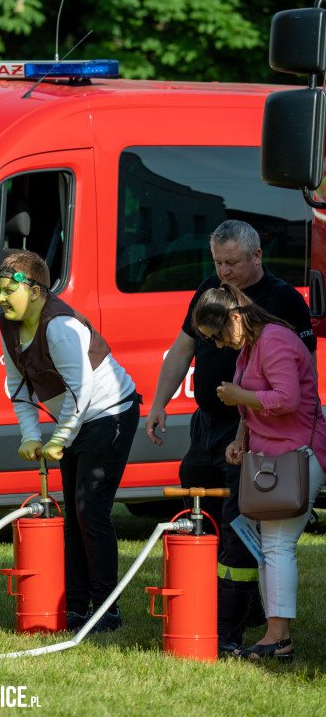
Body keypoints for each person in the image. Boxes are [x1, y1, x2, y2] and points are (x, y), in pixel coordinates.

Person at [145, 220, 317, 653]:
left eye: (232, 263)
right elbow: (182, 348)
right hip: (216, 424)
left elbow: (294, 385)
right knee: (198, 509)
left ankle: (229, 630)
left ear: (257, 256)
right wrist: (160, 403)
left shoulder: (282, 305)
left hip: (270, 433)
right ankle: (226, 607)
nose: (223, 271)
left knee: (241, 526)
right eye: (218, 262)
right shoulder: (211, 292)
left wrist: (244, 407)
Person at [0, 250, 140, 633]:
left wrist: (60, 436)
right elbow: (18, 385)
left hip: (110, 413)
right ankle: (75, 607)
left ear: (38, 292)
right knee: (74, 520)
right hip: (75, 420)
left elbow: (81, 389)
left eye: (11, 290)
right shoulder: (7, 324)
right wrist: (30, 435)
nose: (2, 298)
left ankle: (107, 610)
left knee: (90, 511)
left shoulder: (59, 326)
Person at [193, 282, 326, 660]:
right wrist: (240, 439)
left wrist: (240, 397)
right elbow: (252, 409)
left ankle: (279, 638)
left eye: (217, 335)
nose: (218, 345)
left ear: (235, 317)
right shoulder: (250, 347)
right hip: (272, 458)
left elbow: (287, 399)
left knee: (277, 546)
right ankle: (275, 635)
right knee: (270, 548)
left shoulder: (275, 340)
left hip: (299, 455)